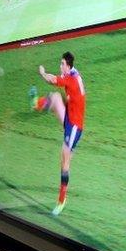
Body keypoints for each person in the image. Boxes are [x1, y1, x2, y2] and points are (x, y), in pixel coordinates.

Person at [35, 51, 86, 216]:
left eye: (62, 64)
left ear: (69, 66)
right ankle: (36, 104)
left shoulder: (71, 79)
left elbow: (52, 79)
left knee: (64, 162)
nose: (60, 66)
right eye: (61, 63)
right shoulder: (72, 74)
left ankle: (61, 201)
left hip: (75, 127)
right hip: (70, 118)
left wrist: (42, 73)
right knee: (56, 97)